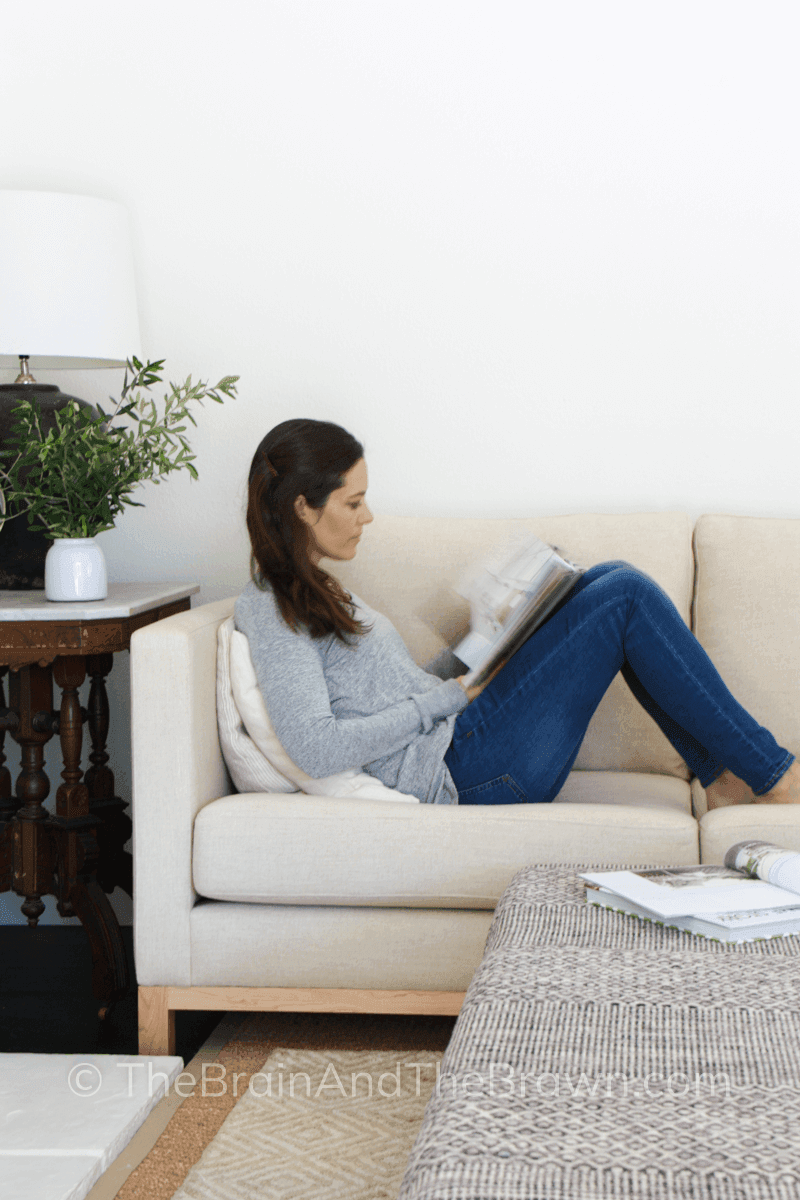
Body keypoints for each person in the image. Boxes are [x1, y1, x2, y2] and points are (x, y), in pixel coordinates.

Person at [234, 418, 800, 808]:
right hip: (465, 771)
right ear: (303, 507)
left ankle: (724, 776)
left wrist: (485, 638)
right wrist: (450, 696)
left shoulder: (318, 590)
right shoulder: (270, 607)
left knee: (598, 582)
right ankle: (773, 775)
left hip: (460, 740)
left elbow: (395, 694)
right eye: (353, 503)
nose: (368, 516)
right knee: (624, 593)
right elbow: (316, 747)